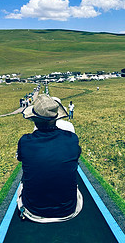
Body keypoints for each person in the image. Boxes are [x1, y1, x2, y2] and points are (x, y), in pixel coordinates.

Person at [17, 94, 83, 223]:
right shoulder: (72, 138)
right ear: (56, 117)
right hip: (69, 211)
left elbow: (20, 159)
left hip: (33, 212)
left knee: (22, 181)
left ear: (34, 119)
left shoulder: (25, 141)